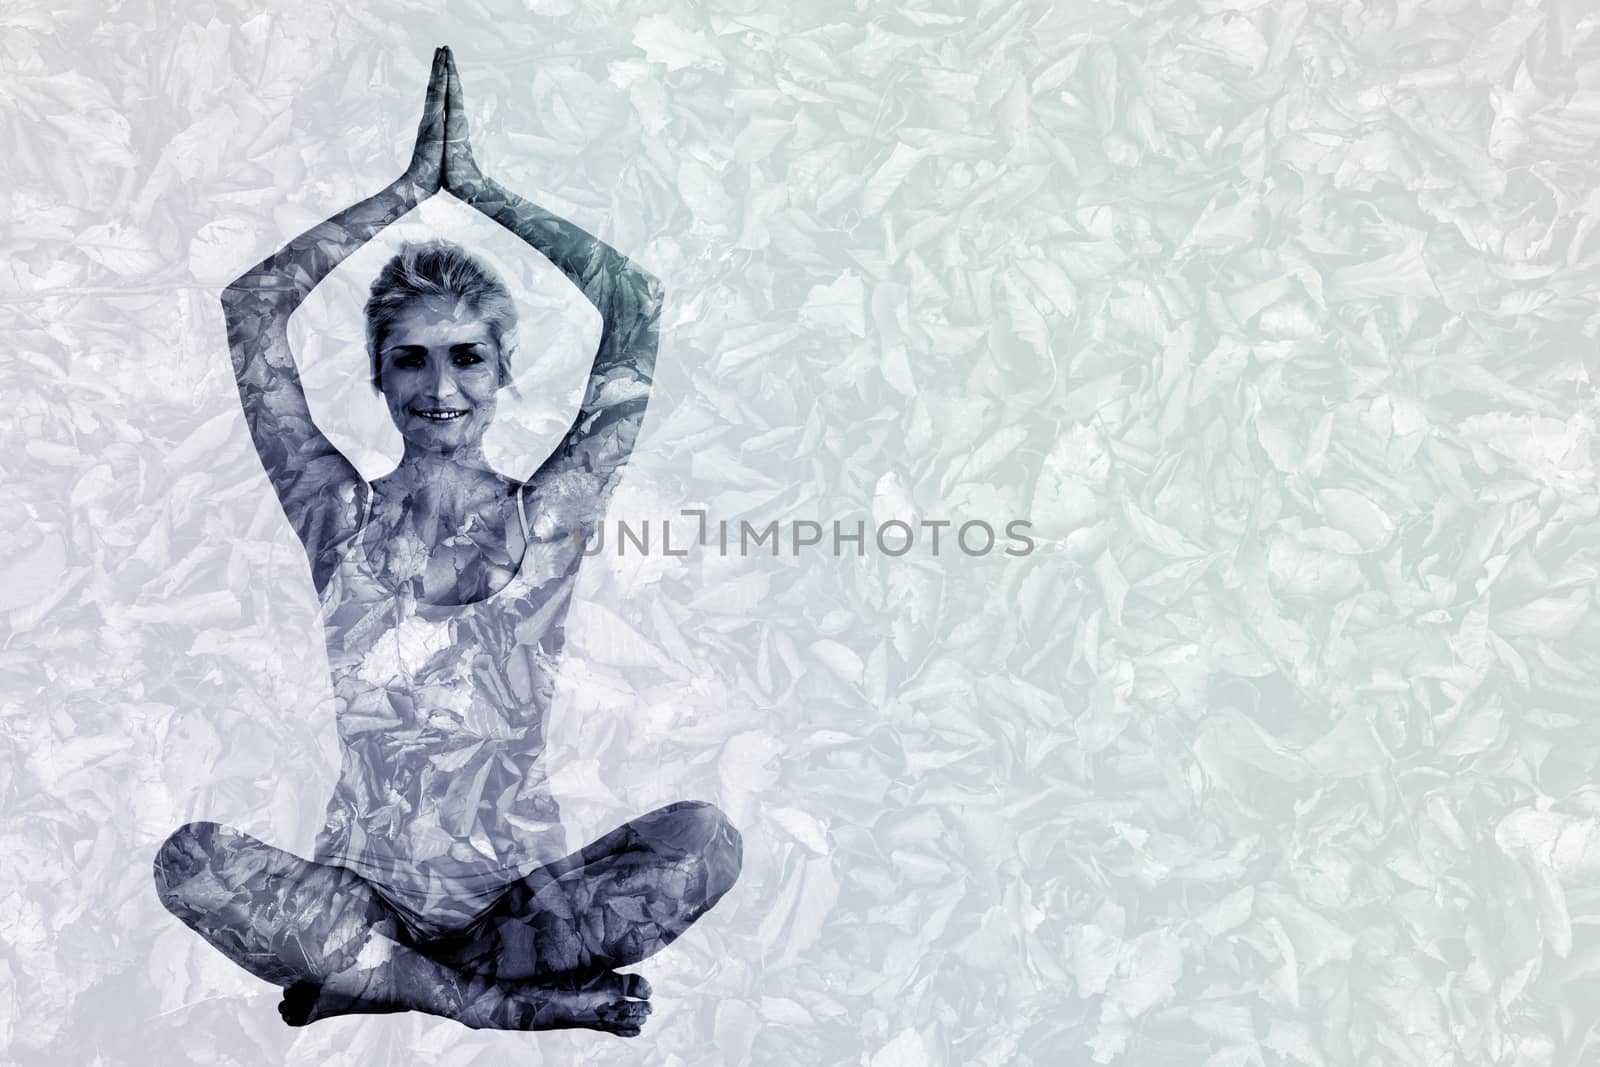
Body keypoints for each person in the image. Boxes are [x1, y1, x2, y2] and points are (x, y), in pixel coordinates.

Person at [152, 47, 741, 1035]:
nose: (442, 389)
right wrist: (400, 193)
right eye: (410, 361)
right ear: (378, 378)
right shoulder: (337, 515)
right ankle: (489, 1009)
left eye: (467, 357)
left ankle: (403, 985)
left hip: (518, 912)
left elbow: (635, 308)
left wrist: (476, 191)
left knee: (706, 839)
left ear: (504, 367)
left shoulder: (546, 517)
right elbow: (253, 311)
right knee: (187, 860)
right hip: (360, 906)